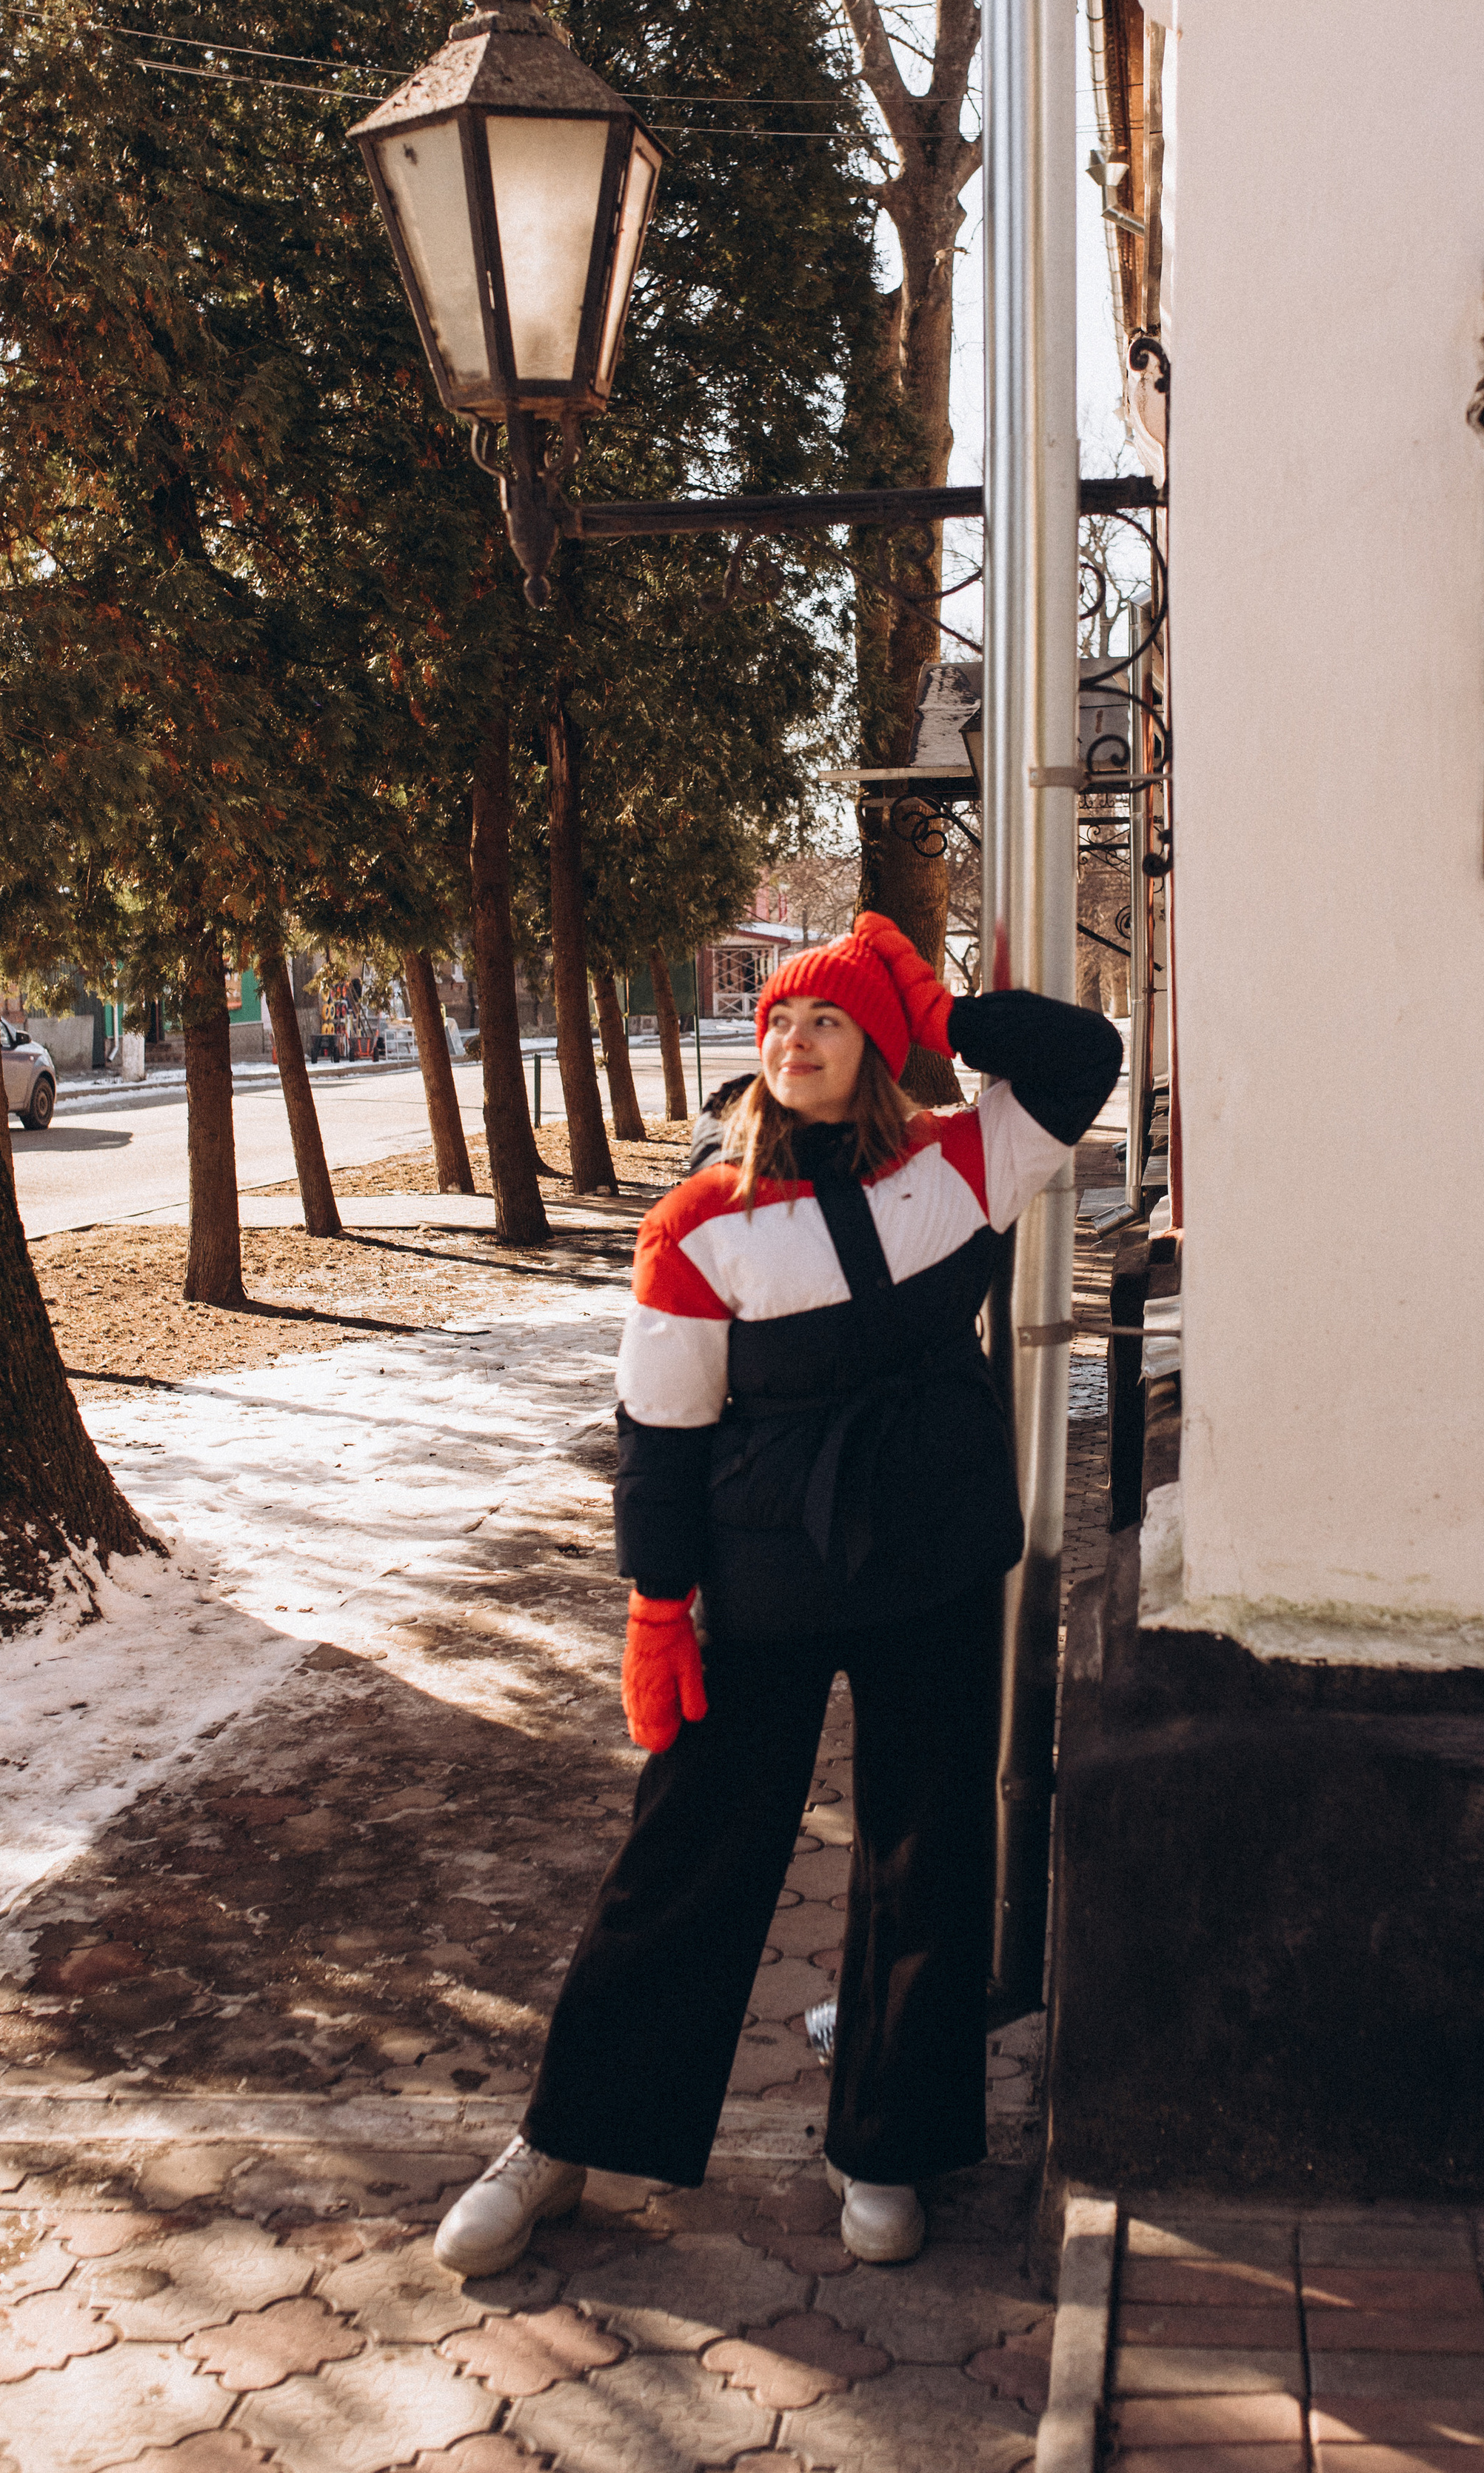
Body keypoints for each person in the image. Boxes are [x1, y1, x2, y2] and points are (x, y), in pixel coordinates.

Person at [433, 914, 1121, 2277]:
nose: (792, 1039)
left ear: (878, 1046)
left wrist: (945, 1014)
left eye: (828, 1019)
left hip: (935, 1558)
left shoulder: (957, 1162)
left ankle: (888, 2145)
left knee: (926, 1851)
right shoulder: (700, 1222)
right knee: (690, 1848)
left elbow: (1082, 1056)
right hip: (767, 1570)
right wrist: (657, 1607)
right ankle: (564, 2137)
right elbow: (660, 1429)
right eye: (779, 1020)